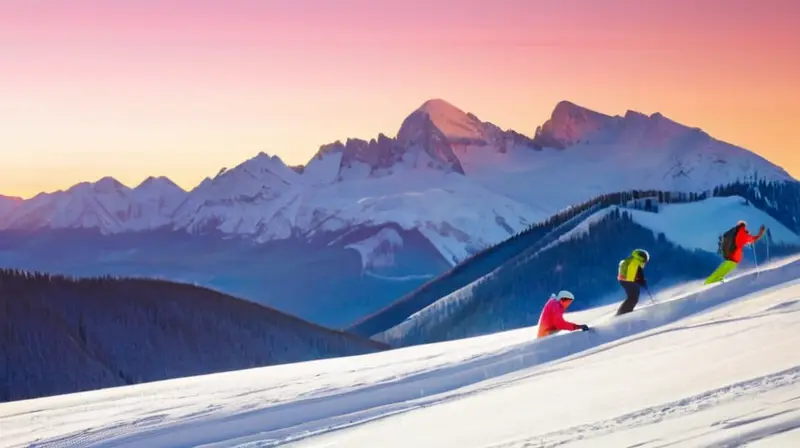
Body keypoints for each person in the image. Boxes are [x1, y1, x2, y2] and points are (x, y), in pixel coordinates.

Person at [704, 220, 765, 285]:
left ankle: (714, 279)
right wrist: (760, 233)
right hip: (735, 255)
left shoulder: (733, 231)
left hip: (728, 253)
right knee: (727, 267)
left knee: (725, 267)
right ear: (744, 226)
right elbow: (753, 239)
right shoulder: (742, 233)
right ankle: (711, 280)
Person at [616, 248, 649, 316]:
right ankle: (623, 313)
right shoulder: (635, 262)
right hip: (628, 281)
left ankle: (623, 312)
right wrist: (640, 281)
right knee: (633, 297)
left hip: (624, 280)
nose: (646, 261)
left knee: (633, 297)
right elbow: (632, 275)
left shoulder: (633, 261)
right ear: (642, 258)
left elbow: (638, 274)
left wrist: (641, 280)